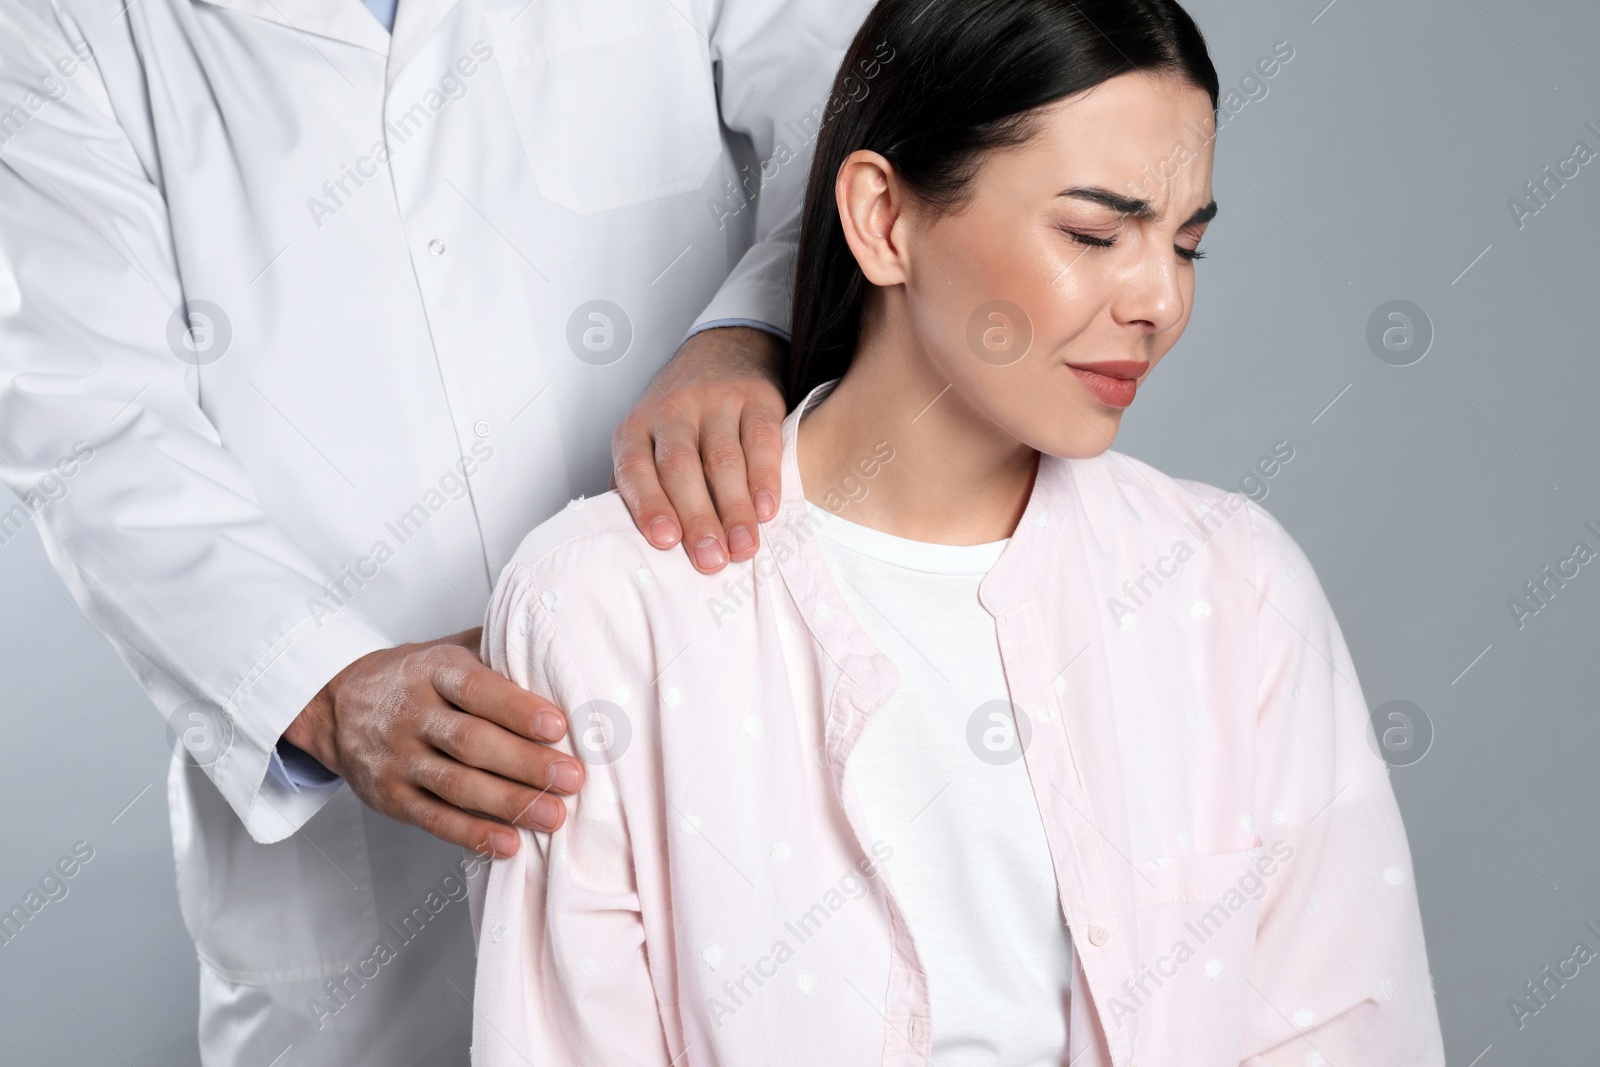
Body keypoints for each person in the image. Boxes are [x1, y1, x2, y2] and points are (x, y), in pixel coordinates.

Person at [468, 0, 1449, 1063]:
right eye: (1093, 234)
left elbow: (1347, 1030)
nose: (1160, 300)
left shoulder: (1233, 588)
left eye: (1187, 245)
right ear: (884, 218)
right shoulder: (605, 609)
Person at [0, 0, 876, 1062]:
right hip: (359, 915)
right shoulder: (55, 26)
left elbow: (867, 116)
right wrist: (321, 688)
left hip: (719, 721)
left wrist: (749, 328)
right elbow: (96, 422)